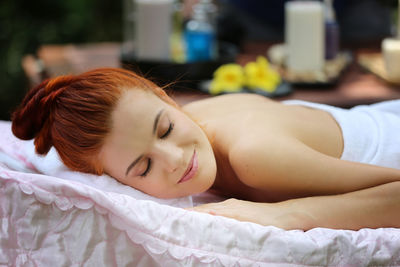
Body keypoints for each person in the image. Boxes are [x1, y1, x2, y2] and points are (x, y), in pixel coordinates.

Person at [11, 68, 400, 230]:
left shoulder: (255, 156)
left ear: (164, 97)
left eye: (165, 128)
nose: (176, 159)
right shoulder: (192, 119)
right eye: (143, 168)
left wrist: (289, 215)